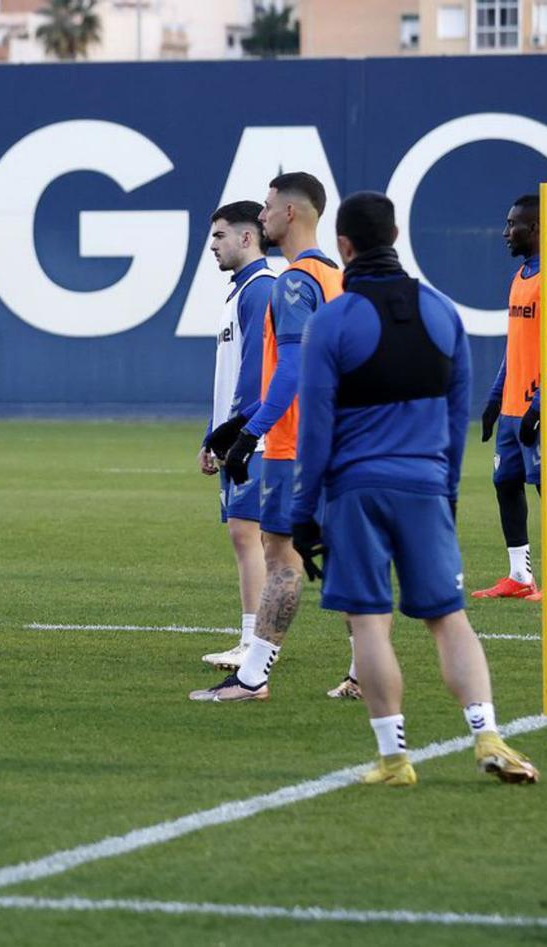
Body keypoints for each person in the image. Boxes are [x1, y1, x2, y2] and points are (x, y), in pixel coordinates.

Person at [289, 190, 538, 786]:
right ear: (396, 237)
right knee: (449, 618)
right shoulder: (442, 313)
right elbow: (455, 424)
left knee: (370, 624)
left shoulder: (332, 321)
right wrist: (445, 494)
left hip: (357, 491)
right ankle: (489, 735)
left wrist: (303, 513)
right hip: (427, 488)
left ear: (343, 247)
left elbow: (316, 429)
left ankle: (395, 758)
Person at [192, 172, 348, 702]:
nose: (261, 217)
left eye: (267, 207)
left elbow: (291, 366)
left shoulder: (292, 282)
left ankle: (252, 674)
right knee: (342, 556)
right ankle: (361, 668)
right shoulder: (337, 278)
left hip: (288, 444)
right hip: (330, 439)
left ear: (291, 214)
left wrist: (248, 431)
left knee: (279, 555)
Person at [473, 194, 547, 602]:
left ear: (535, 228)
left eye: (512, 224)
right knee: (505, 483)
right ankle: (520, 576)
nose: (505, 233)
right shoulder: (522, 277)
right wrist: (495, 398)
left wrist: (540, 406)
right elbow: (515, 346)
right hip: (514, 407)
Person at [196, 201, 273, 672]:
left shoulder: (261, 290)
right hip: (236, 436)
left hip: (256, 439)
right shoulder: (238, 292)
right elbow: (227, 374)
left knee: (250, 535)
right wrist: (211, 436)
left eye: (220, 236)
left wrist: (236, 432)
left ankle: (255, 644)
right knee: (247, 537)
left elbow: (259, 373)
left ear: (247, 238)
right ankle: (253, 640)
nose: (213, 245)